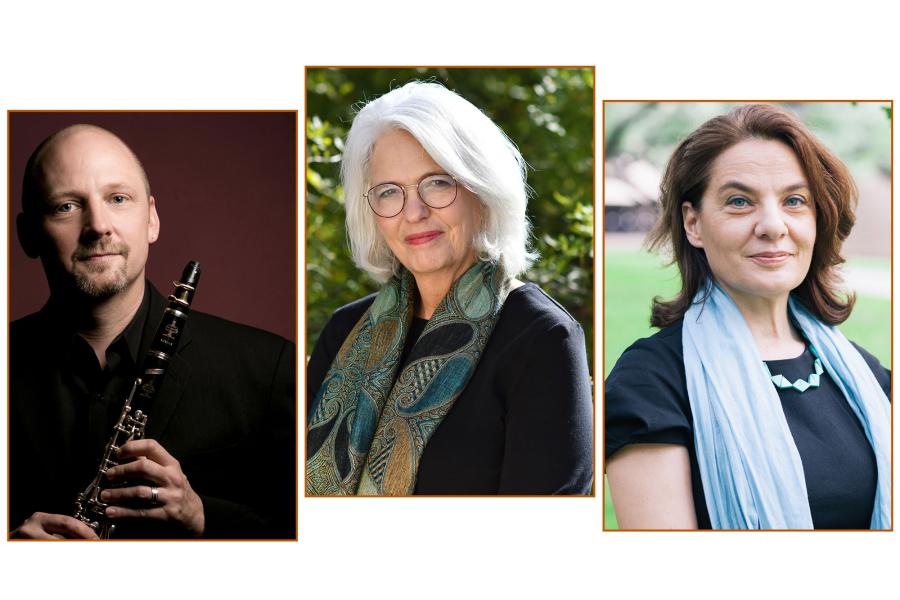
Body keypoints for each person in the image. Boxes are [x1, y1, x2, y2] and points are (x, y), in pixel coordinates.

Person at [605, 104, 891, 530]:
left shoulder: (870, 377)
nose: (773, 226)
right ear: (693, 223)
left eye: (795, 200)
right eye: (739, 202)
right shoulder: (652, 383)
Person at [306, 81, 593, 495]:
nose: (415, 212)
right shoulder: (347, 329)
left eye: (437, 183)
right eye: (390, 192)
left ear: (482, 189)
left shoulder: (542, 338)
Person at [10, 124, 296, 539]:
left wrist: (204, 517)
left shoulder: (267, 368)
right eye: (66, 206)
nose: (99, 226)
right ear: (28, 235)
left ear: (152, 219)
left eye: (118, 199)